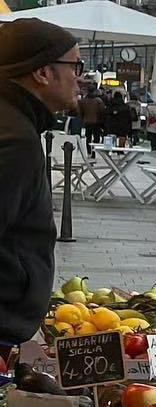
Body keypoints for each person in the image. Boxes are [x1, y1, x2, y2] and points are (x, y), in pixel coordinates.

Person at [0, 19, 85, 357]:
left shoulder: (15, 122)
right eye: (75, 65)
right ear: (42, 73)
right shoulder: (15, 138)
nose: (80, 76)